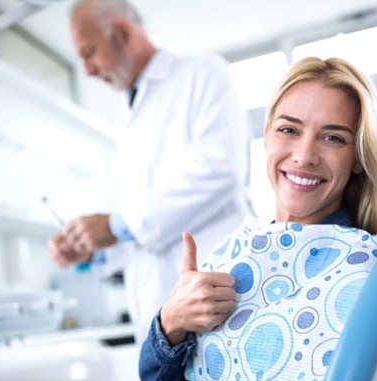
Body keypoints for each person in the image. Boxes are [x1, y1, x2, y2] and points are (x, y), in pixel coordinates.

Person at [138, 56, 377, 381]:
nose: (304, 156)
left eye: (333, 138)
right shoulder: (237, 249)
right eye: (289, 129)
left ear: (356, 157)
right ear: (267, 136)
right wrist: (170, 322)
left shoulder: (363, 267)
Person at [47, 0, 252, 343]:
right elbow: (144, 226)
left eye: (89, 52)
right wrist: (93, 246)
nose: (87, 71)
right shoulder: (127, 114)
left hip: (214, 304)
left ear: (123, 33)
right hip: (159, 319)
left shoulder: (201, 72)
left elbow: (220, 170)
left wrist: (113, 226)